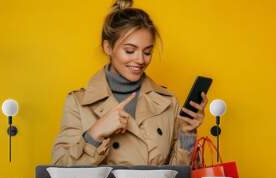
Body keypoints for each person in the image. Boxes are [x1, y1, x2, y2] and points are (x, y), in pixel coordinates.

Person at [52, 0, 208, 166]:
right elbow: (60, 170)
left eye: (147, 52)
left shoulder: (168, 102)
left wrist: (186, 133)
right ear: (108, 48)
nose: (140, 60)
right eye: (130, 51)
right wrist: (95, 133)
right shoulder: (78, 103)